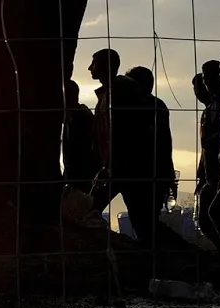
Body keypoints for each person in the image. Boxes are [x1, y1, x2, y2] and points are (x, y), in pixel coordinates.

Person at [88, 49, 161, 250]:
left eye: (93, 63)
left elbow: (122, 131)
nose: (89, 68)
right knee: (140, 220)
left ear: (105, 66)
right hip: (118, 166)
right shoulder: (110, 92)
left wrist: (108, 164)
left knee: (93, 210)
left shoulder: (119, 92)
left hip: (124, 166)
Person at [192, 59, 220, 241]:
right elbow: (206, 148)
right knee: (206, 217)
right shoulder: (210, 109)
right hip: (211, 173)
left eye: (208, 80)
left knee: (215, 214)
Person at [126, 66, 176, 213]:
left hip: (146, 173)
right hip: (151, 173)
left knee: (145, 219)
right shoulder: (156, 105)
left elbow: (163, 143)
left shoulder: (146, 107)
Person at [61, 80, 99, 196]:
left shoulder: (79, 119)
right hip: (78, 178)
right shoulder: (76, 117)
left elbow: (78, 153)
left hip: (80, 179)